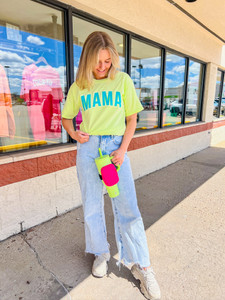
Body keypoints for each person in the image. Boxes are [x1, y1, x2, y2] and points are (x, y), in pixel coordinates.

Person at [62, 31, 161, 300]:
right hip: (89, 149)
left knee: (128, 206)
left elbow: (132, 119)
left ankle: (143, 265)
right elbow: (66, 117)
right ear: (87, 60)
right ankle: (100, 253)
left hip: (116, 149)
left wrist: (123, 148)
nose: (103, 66)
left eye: (107, 61)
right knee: (92, 205)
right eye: (98, 61)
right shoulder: (80, 85)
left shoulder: (123, 81)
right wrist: (74, 134)